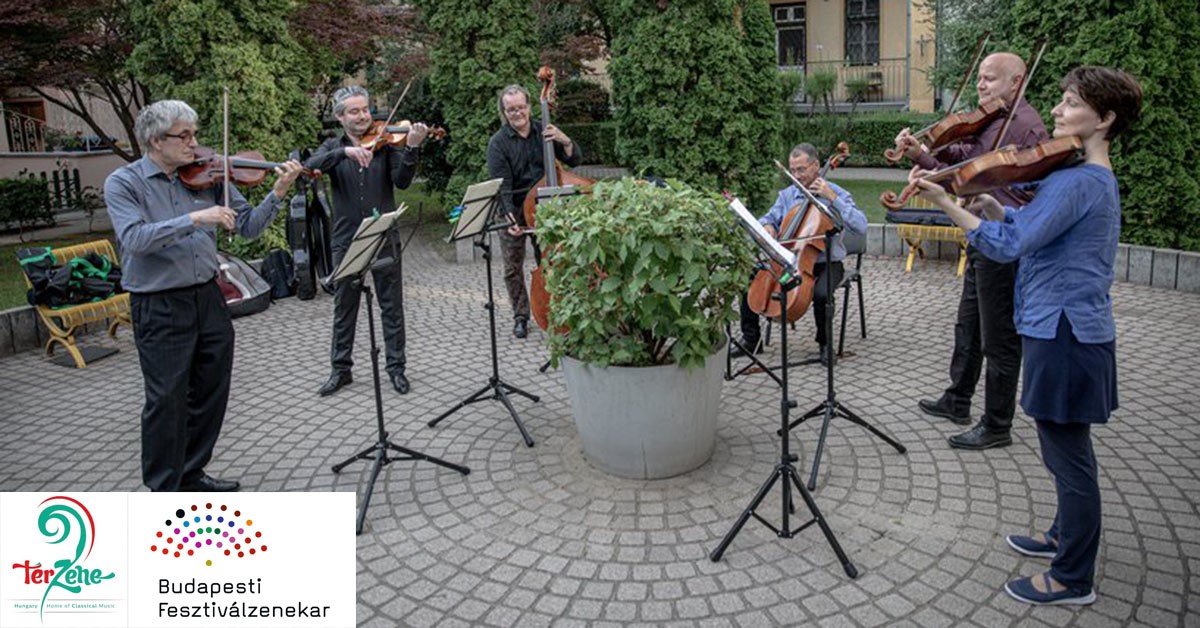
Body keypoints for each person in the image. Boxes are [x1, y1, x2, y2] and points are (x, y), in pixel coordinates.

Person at [911, 65, 1142, 605]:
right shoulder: (1078, 177)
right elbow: (1031, 233)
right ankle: (1065, 536)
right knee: (1063, 448)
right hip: (1061, 326)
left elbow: (1010, 247)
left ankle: (1072, 577)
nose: (1057, 112)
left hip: (1064, 332)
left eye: (1070, 103)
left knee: (1068, 455)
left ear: (1104, 119)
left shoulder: (1082, 180)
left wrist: (948, 206)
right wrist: (992, 206)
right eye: (1061, 101)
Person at [105, 100, 304, 492]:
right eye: (185, 136)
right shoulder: (125, 183)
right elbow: (135, 239)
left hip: (208, 297)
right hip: (159, 303)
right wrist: (195, 218)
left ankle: (192, 472)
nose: (194, 144)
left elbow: (247, 227)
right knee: (166, 399)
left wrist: (278, 192)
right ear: (156, 140)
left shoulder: (209, 176)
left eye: (194, 135)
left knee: (212, 389)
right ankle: (163, 488)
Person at [894, 52, 1049, 450]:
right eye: (979, 78)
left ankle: (997, 424)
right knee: (968, 325)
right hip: (984, 238)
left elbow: (976, 172)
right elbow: (965, 157)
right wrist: (921, 155)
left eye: (991, 79)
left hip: (1003, 240)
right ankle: (958, 399)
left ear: (1017, 83)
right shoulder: (995, 121)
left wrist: (933, 170)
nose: (981, 86)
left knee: (998, 338)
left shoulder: (1023, 126)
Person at [304, 86, 428, 396]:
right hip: (347, 239)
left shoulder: (386, 145)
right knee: (345, 306)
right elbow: (311, 168)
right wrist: (345, 152)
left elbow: (402, 181)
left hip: (383, 234)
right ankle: (340, 369)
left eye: (366, 109)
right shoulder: (333, 147)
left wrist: (411, 147)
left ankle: (396, 368)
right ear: (339, 116)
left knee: (391, 305)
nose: (363, 116)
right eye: (355, 111)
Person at [731, 143, 867, 366]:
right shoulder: (787, 195)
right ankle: (751, 338)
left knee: (822, 294)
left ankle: (825, 344)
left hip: (826, 261)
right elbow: (768, 218)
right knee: (747, 276)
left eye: (801, 170)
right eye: (793, 170)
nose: (796, 175)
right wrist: (769, 227)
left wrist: (833, 198)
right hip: (790, 260)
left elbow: (861, 226)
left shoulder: (836, 193)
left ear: (816, 166)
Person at [486, 84, 582, 339]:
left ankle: (556, 309)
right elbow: (502, 185)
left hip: (546, 206)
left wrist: (566, 141)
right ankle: (520, 315)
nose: (517, 113)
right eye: (510, 109)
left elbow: (574, 161)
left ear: (529, 106)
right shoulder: (498, 143)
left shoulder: (546, 131)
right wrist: (508, 217)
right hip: (514, 206)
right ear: (504, 112)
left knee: (549, 260)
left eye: (520, 107)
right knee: (512, 266)